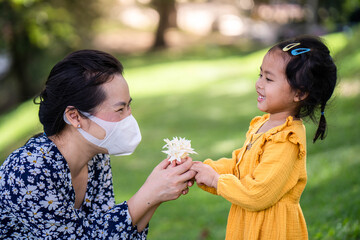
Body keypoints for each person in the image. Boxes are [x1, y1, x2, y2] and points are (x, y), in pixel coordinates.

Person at [0, 49, 196, 239]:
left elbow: (106, 230)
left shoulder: (96, 156)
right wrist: (149, 194)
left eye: (129, 106)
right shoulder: (28, 170)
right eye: (120, 110)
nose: (129, 118)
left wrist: (157, 195)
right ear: (74, 116)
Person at [190, 35, 337, 240]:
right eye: (260, 75)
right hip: (249, 225)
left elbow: (258, 194)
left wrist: (216, 180)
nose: (259, 84)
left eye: (269, 79)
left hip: (272, 230)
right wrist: (202, 169)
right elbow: (240, 166)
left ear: (300, 93)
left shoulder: (287, 140)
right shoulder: (262, 124)